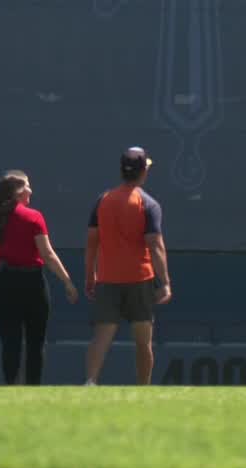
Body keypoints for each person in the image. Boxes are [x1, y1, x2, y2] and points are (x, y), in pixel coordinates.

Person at [84, 147, 172, 386]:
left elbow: (92, 242)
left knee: (101, 336)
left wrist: (90, 276)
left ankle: (90, 382)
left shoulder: (102, 201)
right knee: (144, 340)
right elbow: (155, 245)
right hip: (140, 279)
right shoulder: (148, 204)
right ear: (143, 172)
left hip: (108, 278)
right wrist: (164, 282)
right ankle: (143, 388)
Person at [0, 170, 78, 385]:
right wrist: (67, 281)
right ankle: (33, 388)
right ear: (17, 192)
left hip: (4, 282)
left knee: (10, 341)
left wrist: (3, 279)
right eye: (26, 186)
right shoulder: (34, 217)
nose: (30, 190)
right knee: (36, 342)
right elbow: (47, 254)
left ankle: (10, 386)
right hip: (32, 283)